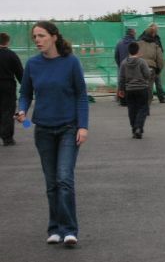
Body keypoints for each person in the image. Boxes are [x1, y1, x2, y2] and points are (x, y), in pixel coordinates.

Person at [16, 21, 89, 246]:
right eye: (35, 36)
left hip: (69, 128)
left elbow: (81, 96)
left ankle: (69, 230)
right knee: (51, 183)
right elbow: (25, 93)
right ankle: (55, 228)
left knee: (64, 179)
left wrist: (83, 126)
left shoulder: (71, 63)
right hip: (43, 130)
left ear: (54, 37)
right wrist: (22, 109)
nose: (37, 40)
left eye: (42, 35)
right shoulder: (33, 64)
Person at [118, 42, 150, 139]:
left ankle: (134, 129)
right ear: (138, 50)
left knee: (132, 109)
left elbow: (121, 78)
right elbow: (147, 74)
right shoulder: (142, 62)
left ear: (129, 51)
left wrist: (121, 89)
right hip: (142, 88)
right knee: (143, 108)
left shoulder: (123, 63)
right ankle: (138, 127)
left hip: (129, 89)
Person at [0, 32, 23, 146]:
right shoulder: (11, 55)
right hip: (7, 86)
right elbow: (20, 72)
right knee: (8, 111)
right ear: (7, 42)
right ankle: (7, 138)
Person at [138, 24, 165, 104]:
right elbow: (160, 56)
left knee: (143, 84)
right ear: (152, 32)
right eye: (155, 30)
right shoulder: (155, 43)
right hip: (153, 66)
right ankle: (148, 102)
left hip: (141, 65)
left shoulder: (139, 41)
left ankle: (144, 101)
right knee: (150, 85)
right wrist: (159, 68)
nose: (156, 31)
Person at [115, 28, 136, 106]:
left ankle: (121, 100)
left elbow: (116, 56)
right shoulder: (135, 43)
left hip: (122, 66)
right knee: (132, 82)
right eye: (134, 32)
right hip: (133, 66)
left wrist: (120, 64)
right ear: (132, 33)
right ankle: (132, 100)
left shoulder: (119, 43)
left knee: (122, 82)